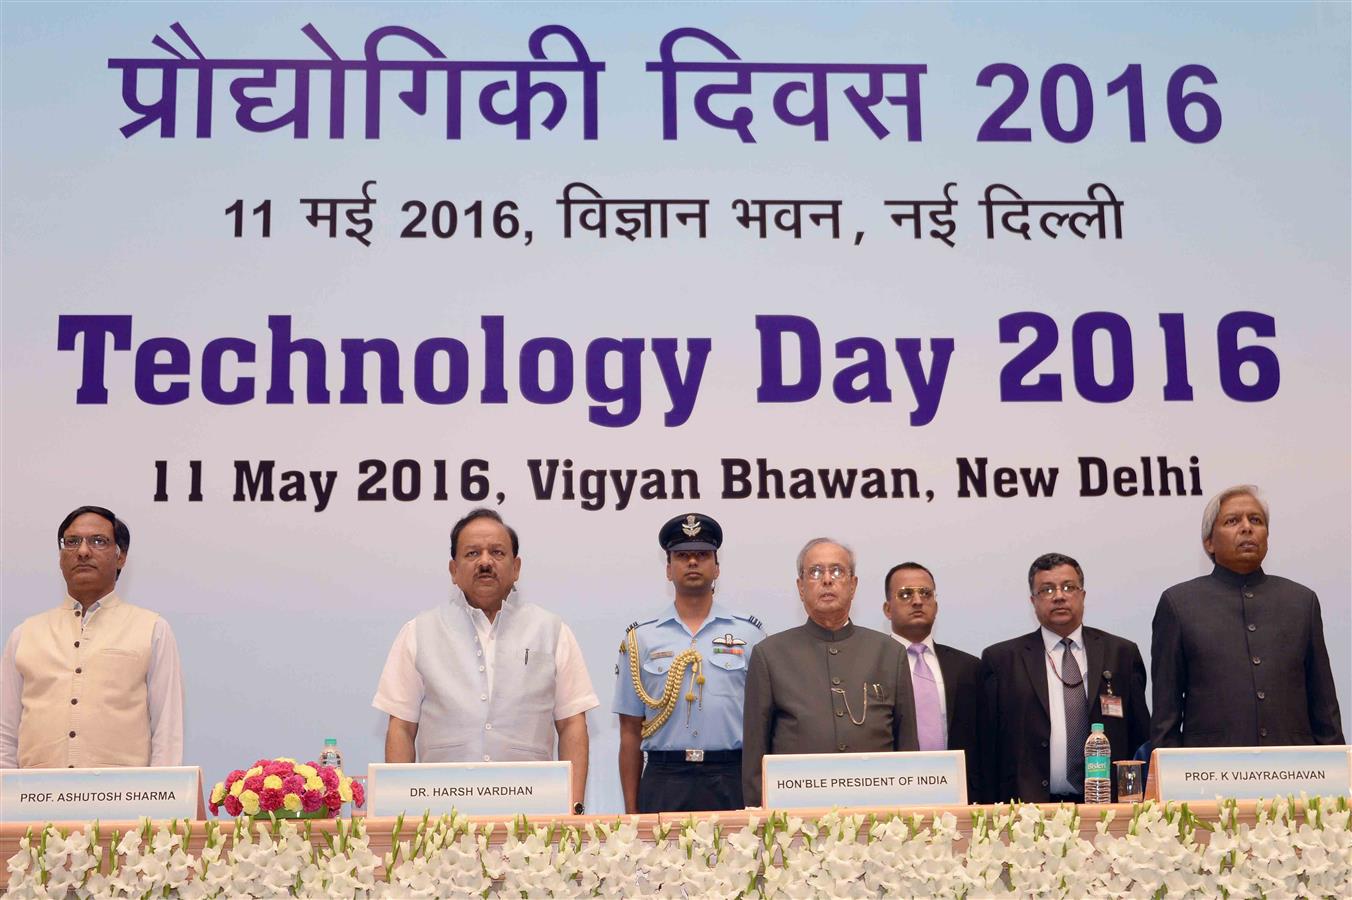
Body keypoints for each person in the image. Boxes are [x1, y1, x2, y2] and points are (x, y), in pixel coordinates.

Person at [372, 508, 598, 812]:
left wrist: (573, 808)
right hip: (441, 812)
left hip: (533, 814)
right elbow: (401, 726)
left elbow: (572, 724)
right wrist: (400, 813)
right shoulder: (418, 632)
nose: (485, 562)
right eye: (472, 553)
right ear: (453, 570)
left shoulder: (552, 630)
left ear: (516, 567)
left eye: (497, 552)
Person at [1151, 485, 1344, 748]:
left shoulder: (1301, 602)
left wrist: (1337, 776)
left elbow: (1325, 707)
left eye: (1256, 520)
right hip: (1209, 773)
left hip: (1294, 769)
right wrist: (1168, 780)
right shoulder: (1179, 604)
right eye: (1232, 521)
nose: (1246, 528)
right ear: (1209, 541)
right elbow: (1166, 714)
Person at [0, 506, 184, 769]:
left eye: (98, 541)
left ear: (121, 557)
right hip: (36, 803)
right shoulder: (25, 634)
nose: (83, 551)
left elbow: (167, 732)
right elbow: (5, 736)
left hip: (123, 803)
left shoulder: (152, 629)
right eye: (72, 542)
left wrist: (160, 804)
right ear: (61, 557)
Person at [742, 538, 919, 806]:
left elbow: (908, 748)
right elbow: (755, 756)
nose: (827, 580)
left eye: (837, 571)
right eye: (815, 572)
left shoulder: (889, 652)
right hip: (795, 814)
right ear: (801, 587)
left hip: (878, 811)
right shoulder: (770, 654)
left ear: (853, 585)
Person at [613, 513, 765, 813]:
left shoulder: (750, 634)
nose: (693, 563)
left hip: (731, 775)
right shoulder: (641, 639)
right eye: (682, 556)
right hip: (665, 779)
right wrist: (631, 814)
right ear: (668, 569)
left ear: (717, 568)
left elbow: (765, 725)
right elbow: (630, 731)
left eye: (702, 555)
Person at [980, 553, 1148, 803]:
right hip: (1026, 808)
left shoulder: (1121, 653)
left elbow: (1139, 736)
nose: (1059, 596)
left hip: (1107, 804)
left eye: (1068, 587)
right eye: (1047, 590)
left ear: (1082, 595)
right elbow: (989, 746)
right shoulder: (1002, 660)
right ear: (1033, 601)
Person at [882, 561, 985, 803]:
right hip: (890, 798)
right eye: (905, 594)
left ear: (936, 606)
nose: (917, 601)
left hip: (958, 800)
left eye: (925, 593)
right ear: (888, 609)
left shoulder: (968, 667)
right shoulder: (870, 665)